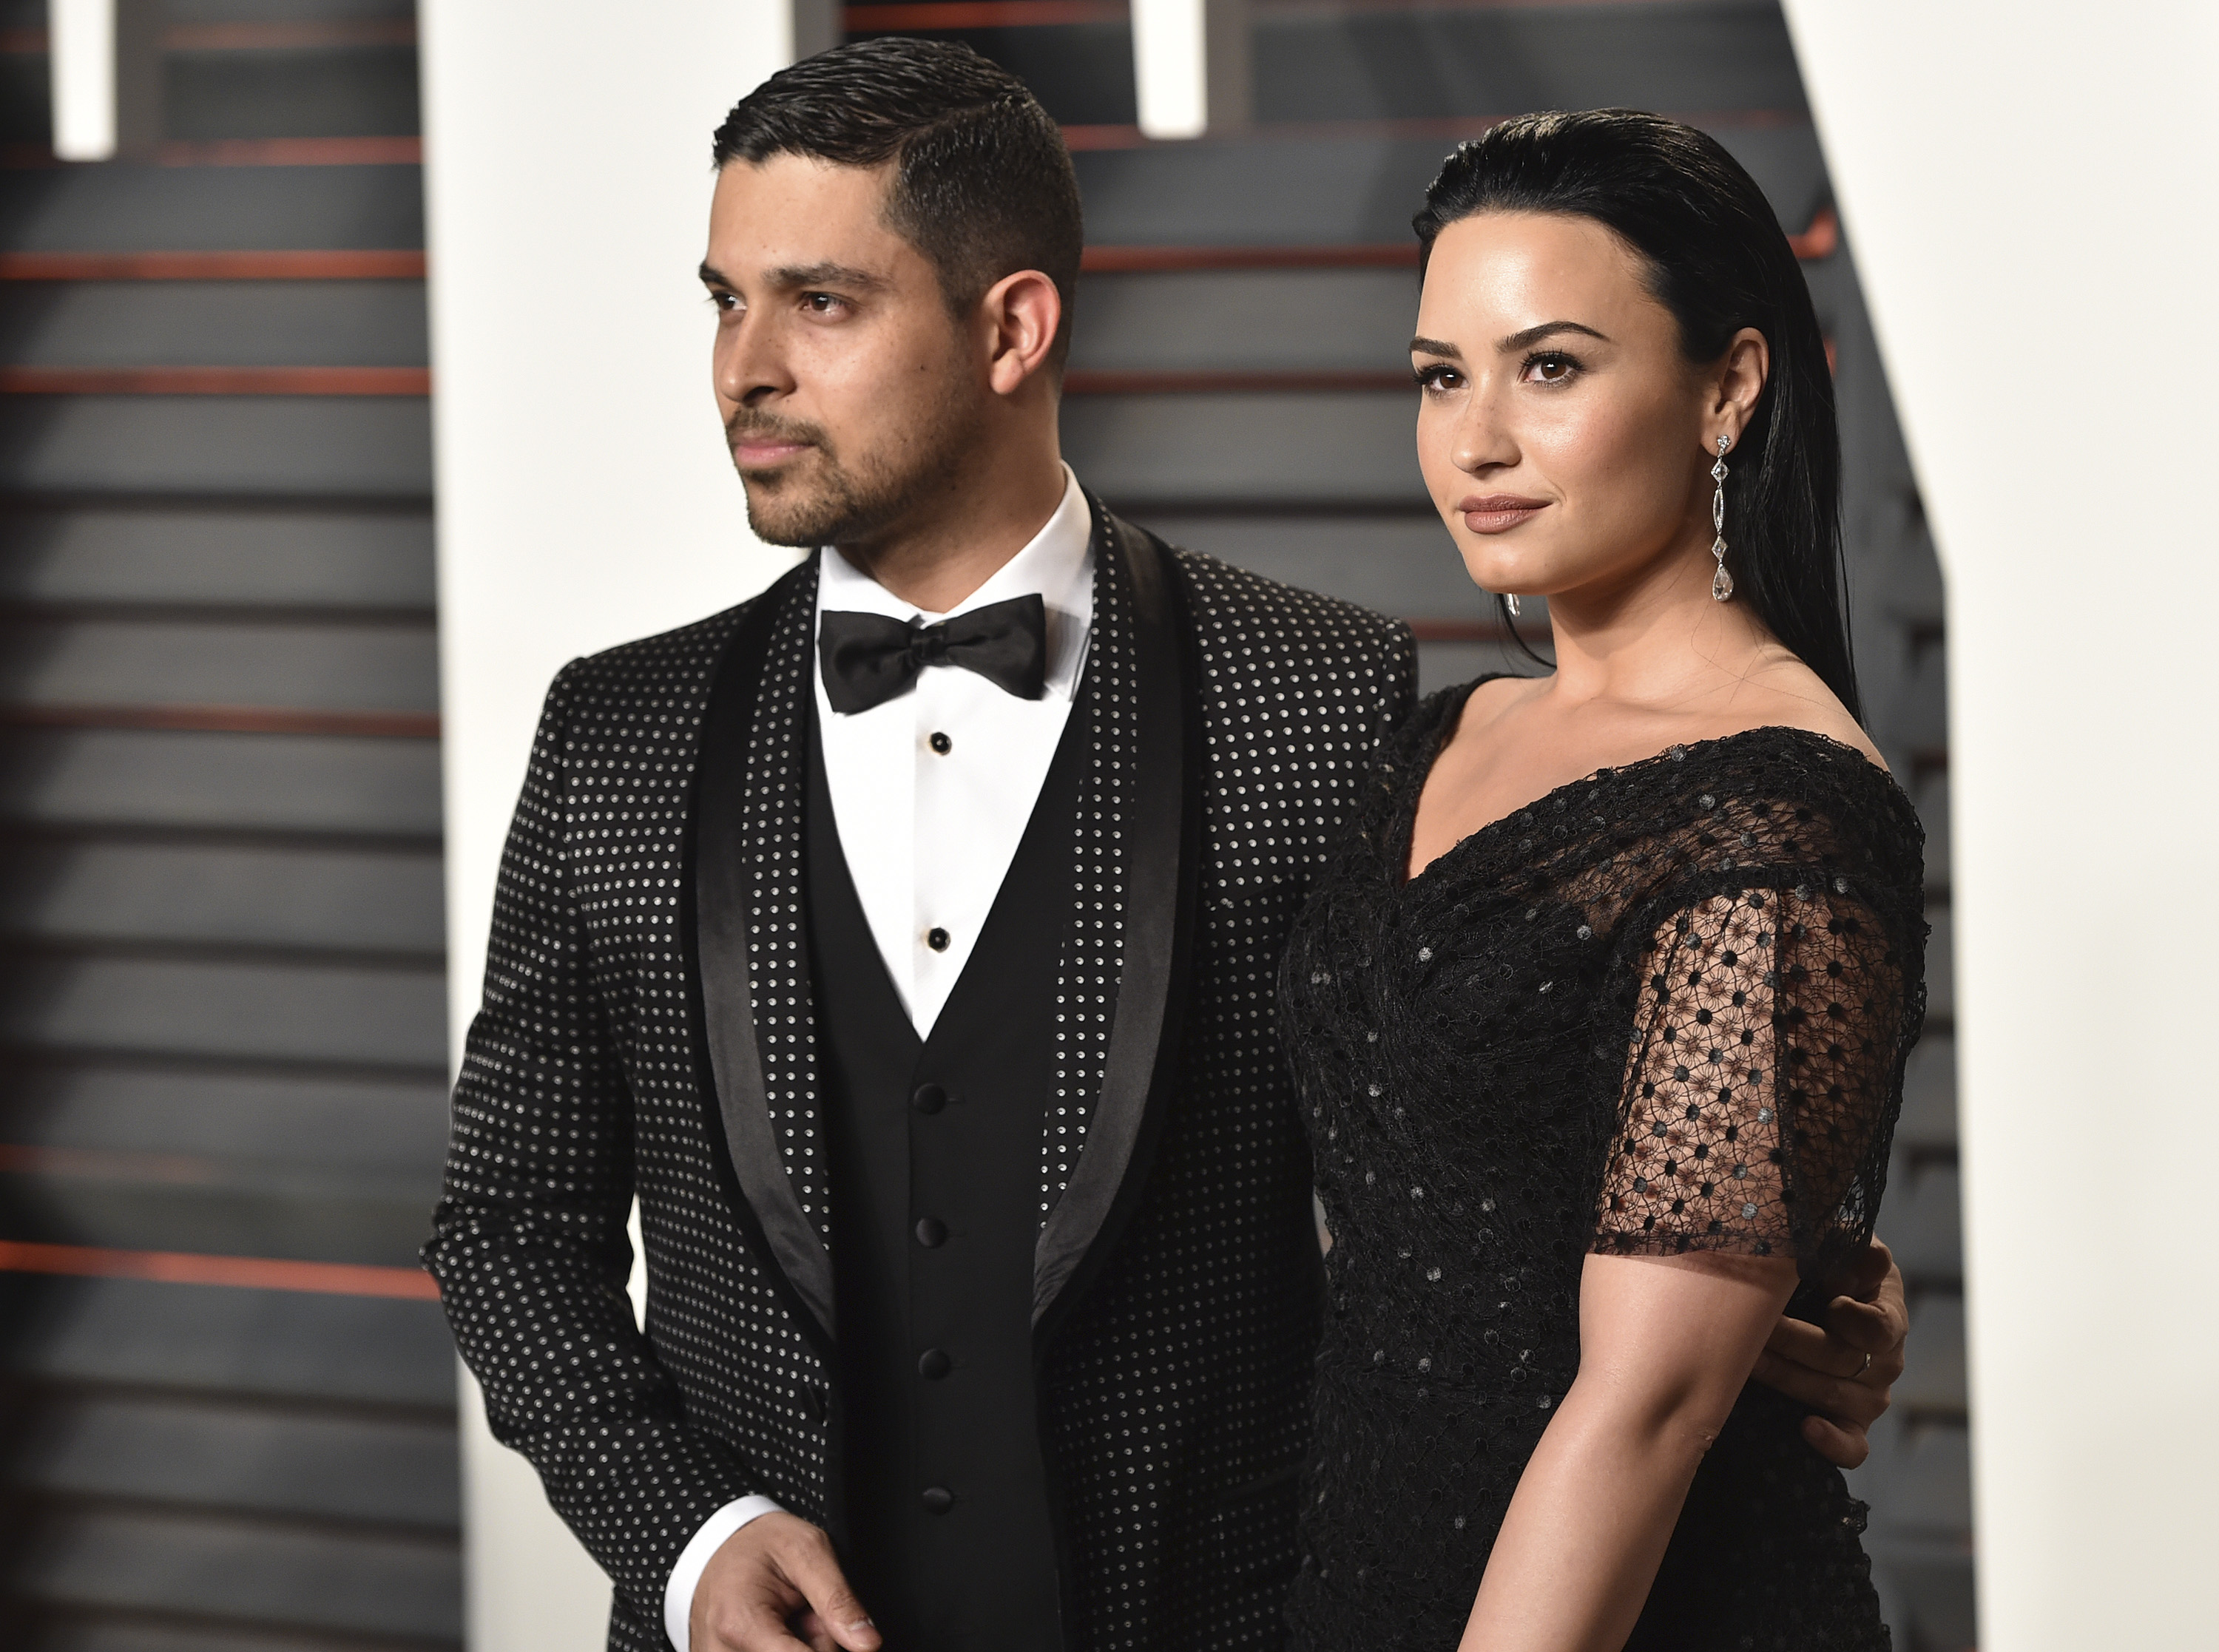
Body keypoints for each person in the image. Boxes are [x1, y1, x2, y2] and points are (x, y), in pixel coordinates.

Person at [423, 47, 1908, 1652]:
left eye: (820, 303)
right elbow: (505, 1224)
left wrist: (1785, 1280)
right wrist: (689, 1534)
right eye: (725, 302)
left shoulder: (1320, 694)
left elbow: (1494, 1150)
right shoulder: (618, 736)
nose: (743, 369)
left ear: (1014, 328)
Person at [1277, 108, 1927, 1651]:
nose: (1476, 441)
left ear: (1729, 388)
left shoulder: (1784, 810)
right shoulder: (1445, 734)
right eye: (1442, 376)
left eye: (1551, 367)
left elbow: (1645, 1410)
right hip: (1362, 1572)